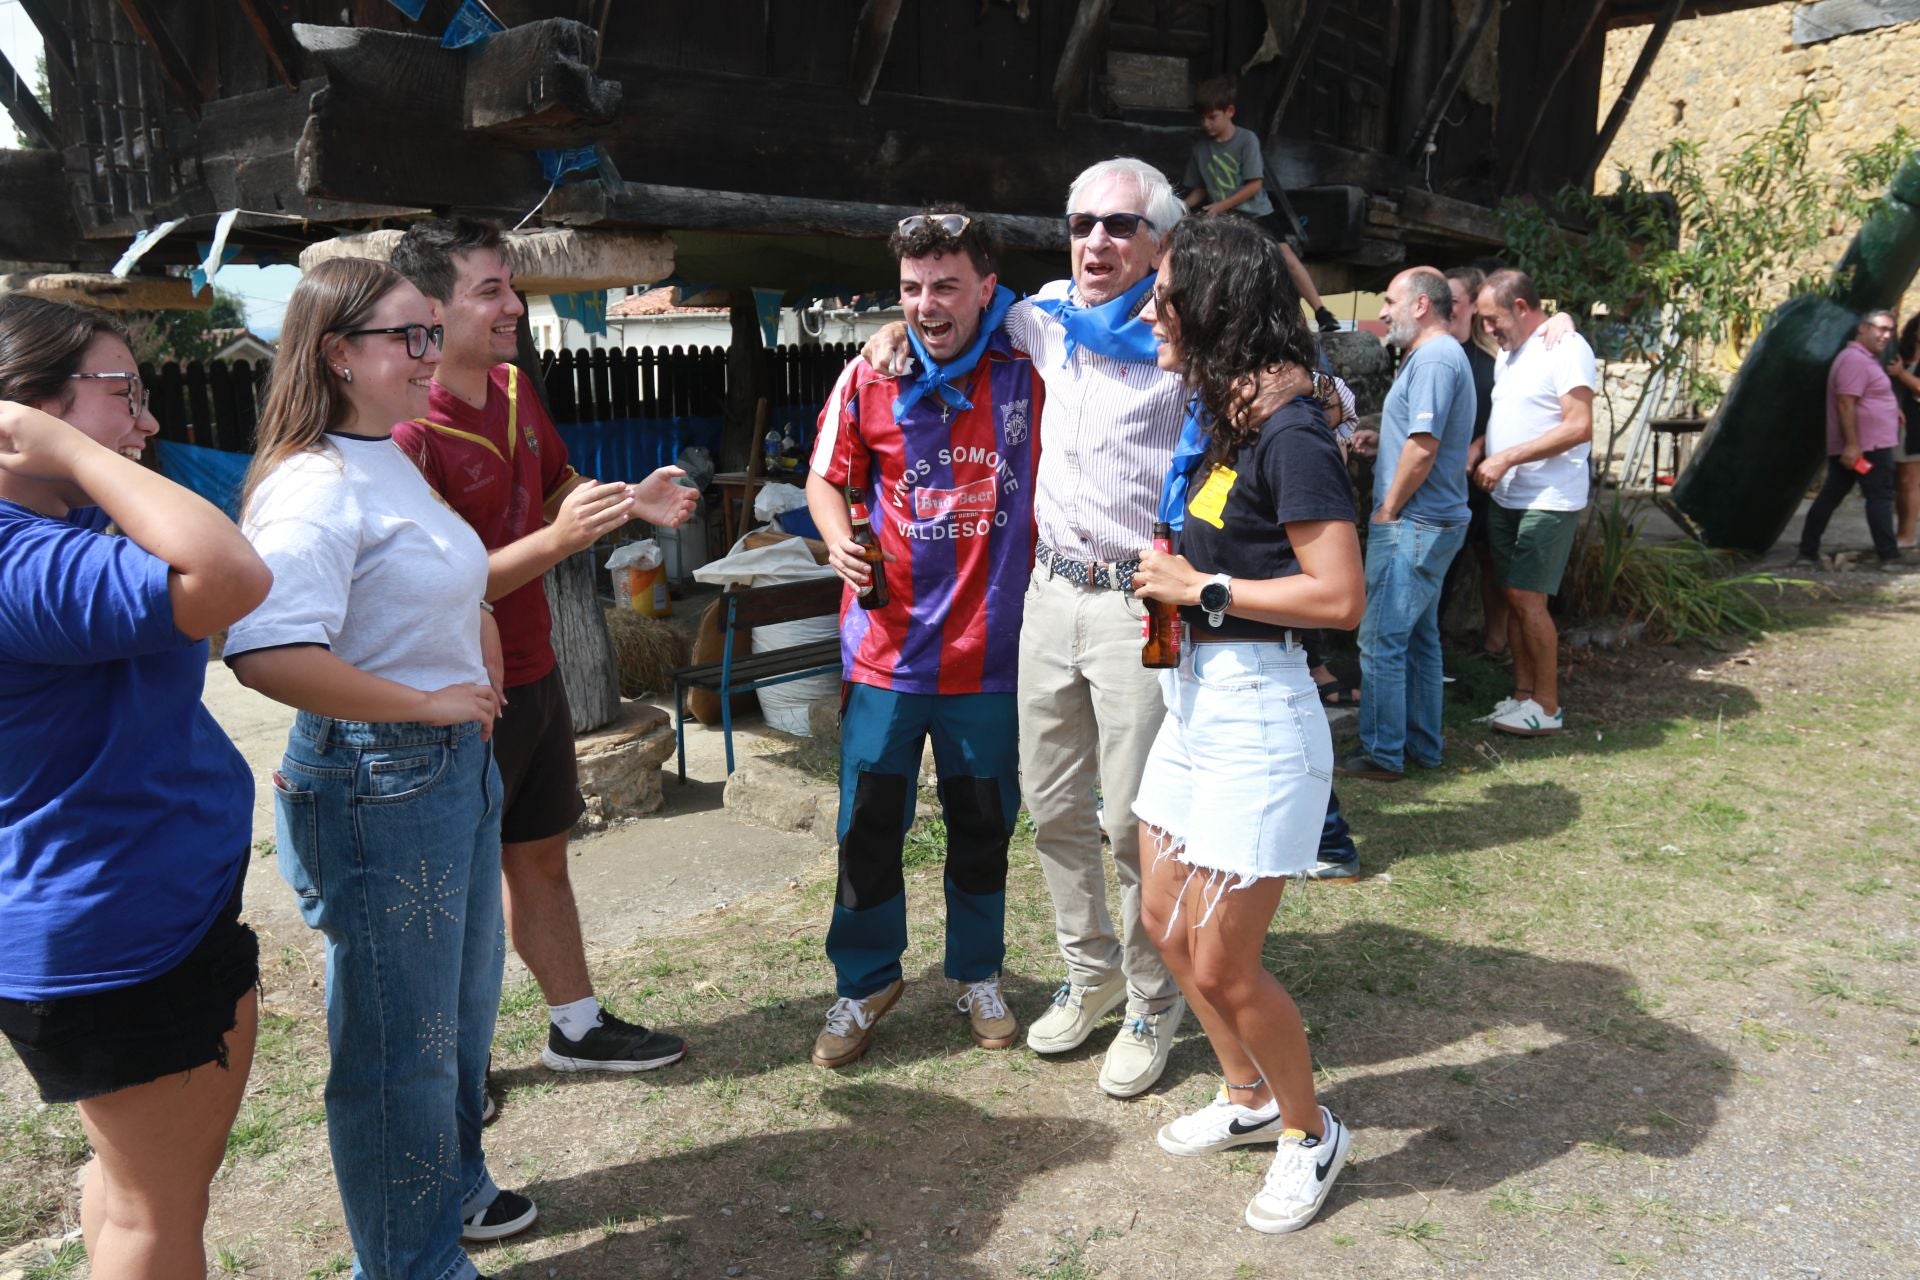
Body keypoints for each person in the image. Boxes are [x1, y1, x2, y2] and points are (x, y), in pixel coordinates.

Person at [225, 258, 533, 1280]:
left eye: (429, 331)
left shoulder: (383, 453)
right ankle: (410, 1263)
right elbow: (267, 651)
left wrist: (474, 637)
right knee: (400, 1046)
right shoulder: (313, 483)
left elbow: (421, 582)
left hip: (443, 770)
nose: (429, 353)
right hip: (382, 779)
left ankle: (449, 1194)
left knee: (456, 1012)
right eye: (408, 336)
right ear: (336, 355)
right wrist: (425, 703)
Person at [862, 158, 1193, 1097]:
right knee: (1051, 811)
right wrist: (898, 326)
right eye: (1083, 222)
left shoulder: (1187, 334)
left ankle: (1147, 997)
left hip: (1141, 603)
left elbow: (1300, 382)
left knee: (1130, 823)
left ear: (1159, 240)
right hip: (1050, 599)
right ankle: (1085, 977)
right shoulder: (1042, 317)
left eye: (1121, 226)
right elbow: (945, 312)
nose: (1097, 241)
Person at [0, 297, 271, 1280]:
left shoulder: (51, 533)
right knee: (160, 1216)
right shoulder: (23, 559)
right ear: (18, 414)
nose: (147, 422)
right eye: (125, 395)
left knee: (130, 1190)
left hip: (139, 913)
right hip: (119, 937)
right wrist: (71, 450)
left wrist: (72, 455)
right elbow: (232, 571)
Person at [390, 218, 697, 1076]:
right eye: (490, 291)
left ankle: (576, 1026)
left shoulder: (517, 391)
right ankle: (455, 1067)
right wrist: (564, 541)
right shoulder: (409, 435)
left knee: (541, 860)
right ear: (431, 311)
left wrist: (623, 501)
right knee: (450, 897)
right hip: (452, 698)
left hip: (533, 672)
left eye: (511, 287)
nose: (513, 306)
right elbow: (450, 589)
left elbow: (555, 484)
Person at [1129, 214, 1363, 1234]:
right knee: (1160, 922)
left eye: (1165, 291)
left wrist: (1202, 583)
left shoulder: (1293, 432)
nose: (1149, 308)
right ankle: (1247, 1093)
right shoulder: (1232, 415)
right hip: (1195, 700)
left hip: (1261, 714)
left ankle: (1312, 1131)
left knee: (1223, 959)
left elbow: (1340, 596)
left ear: (1215, 304)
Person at [802, 210, 1043, 1068]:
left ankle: (978, 972)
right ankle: (864, 981)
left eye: (946, 285)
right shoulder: (866, 378)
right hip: (886, 654)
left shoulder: (1029, 368)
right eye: (910, 289)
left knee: (983, 824)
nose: (927, 305)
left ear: (988, 288)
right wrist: (835, 538)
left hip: (991, 654)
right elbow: (826, 480)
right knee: (868, 826)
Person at [1339, 268, 1475, 781]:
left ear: (1421, 305)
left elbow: (1424, 446)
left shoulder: (1436, 358)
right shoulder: (1436, 356)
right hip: (1430, 519)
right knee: (1418, 640)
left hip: (1414, 522)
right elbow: (1414, 438)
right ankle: (1422, 746)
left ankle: (1382, 752)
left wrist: (1387, 508)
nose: (1383, 312)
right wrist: (1381, 442)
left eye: (1391, 300)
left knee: (1380, 641)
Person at [1472, 269, 1596, 736]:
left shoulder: (1566, 348)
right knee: (1514, 596)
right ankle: (1521, 698)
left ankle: (1547, 707)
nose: (1488, 329)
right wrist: (1484, 448)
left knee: (1528, 598)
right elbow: (1522, 416)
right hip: (1508, 495)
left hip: (1548, 497)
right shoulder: (1511, 354)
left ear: (1522, 308)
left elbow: (1578, 425)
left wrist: (1505, 457)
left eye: (1492, 319)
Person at [1183, 74, 1342, 334]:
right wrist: (1179, 207)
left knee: (1287, 258)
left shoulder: (1246, 140)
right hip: (1225, 219)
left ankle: (1321, 311)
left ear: (1229, 111)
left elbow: (1254, 185)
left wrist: (1219, 206)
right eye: (1202, 118)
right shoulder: (1200, 149)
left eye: (1213, 117)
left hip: (1256, 213)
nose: (1207, 124)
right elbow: (1199, 190)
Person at [1794, 309, 1906, 570]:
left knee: (1831, 497)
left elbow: (1866, 396)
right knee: (1879, 498)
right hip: (1866, 447)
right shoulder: (1854, 360)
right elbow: (1845, 403)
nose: (1886, 335)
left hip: (1864, 445)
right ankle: (1889, 557)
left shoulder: (1864, 359)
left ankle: (1807, 552)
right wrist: (1853, 445)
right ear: (1863, 328)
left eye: (1890, 330)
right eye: (1880, 328)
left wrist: (1891, 408)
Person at [1442, 265, 1511, 659]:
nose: (1446, 309)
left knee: (1491, 559)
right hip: (1451, 479)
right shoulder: (1438, 353)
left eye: (1452, 301)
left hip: (1486, 475)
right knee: (1449, 562)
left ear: (1472, 305)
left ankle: (1496, 642)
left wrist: (1481, 446)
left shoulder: (1497, 358)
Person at [1883, 313, 1919, 551]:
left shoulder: (1900, 367)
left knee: (1910, 482)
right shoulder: (1900, 356)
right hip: (1893, 425)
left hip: (1915, 429)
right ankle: (1899, 532)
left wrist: (1901, 374)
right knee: (1899, 482)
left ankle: (1907, 535)